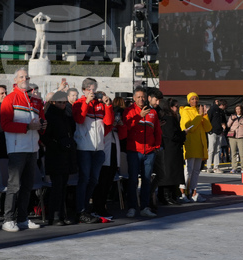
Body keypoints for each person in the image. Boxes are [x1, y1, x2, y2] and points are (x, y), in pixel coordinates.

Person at [0, 68, 43, 232]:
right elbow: (5, 124)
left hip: (32, 148)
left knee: (27, 186)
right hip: (17, 147)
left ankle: (23, 218)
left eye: (27, 76)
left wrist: (42, 125)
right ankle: (8, 219)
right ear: (16, 80)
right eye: (22, 76)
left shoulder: (35, 100)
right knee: (14, 185)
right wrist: (27, 126)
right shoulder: (10, 99)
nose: (25, 78)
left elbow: (41, 120)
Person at [71, 78, 114, 224]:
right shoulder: (78, 103)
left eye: (94, 88)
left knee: (94, 180)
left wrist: (108, 106)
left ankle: (85, 208)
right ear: (84, 90)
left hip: (98, 149)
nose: (92, 91)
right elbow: (79, 119)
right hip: (84, 148)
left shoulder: (100, 105)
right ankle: (80, 210)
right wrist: (86, 102)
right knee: (84, 179)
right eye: (89, 89)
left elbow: (108, 123)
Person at [123, 86, 162, 217]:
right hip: (134, 151)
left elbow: (157, 131)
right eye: (138, 97)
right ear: (134, 98)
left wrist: (156, 146)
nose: (141, 99)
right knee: (133, 180)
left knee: (146, 180)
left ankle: (145, 207)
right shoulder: (128, 111)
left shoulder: (153, 112)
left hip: (149, 152)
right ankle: (132, 207)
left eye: (143, 97)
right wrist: (138, 116)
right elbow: (126, 128)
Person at [42, 90, 76, 225]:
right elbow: (45, 136)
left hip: (66, 155)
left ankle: (61, 215)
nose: (62, 105)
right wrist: (57, 144)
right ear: (53, 102)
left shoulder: (65, 115)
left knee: (63, 187)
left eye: (64, 102)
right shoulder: (49, 115)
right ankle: (54, 216)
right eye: (60, 102)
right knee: (56, 187)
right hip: (55, 155)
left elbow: (71, 130)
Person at [180, 93, 212, 202]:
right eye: (192, 99)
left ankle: (194, 192)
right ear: (189, 101)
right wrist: (199, 116)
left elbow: (208, 128)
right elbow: (190, 128)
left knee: (196, 170)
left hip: (200, 145)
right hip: (190, 144)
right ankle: (182, 192)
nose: (195, 101)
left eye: (196, 99)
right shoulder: (185, 111)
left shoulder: (199, 112)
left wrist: (205, 116)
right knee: (188, 170)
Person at [155, 95, 186, 205]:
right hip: (171, 150)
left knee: (170, 173)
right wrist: (183, 134)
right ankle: (167, 196)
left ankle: (170, 195)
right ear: (171, 107)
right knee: (170, 173)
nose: (177, 109)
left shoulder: (166, 118)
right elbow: (173, 135)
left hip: (169, 149)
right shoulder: (170, 119)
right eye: (176, 107)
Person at [207, 98, 227, 174]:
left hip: (219, 132)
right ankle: (209, 166)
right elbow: (208, 119)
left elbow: (223, 121)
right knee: (211, 149)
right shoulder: (212, 109)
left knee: (217, 150)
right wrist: (209, 130)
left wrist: (224, 127)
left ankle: (216, 167)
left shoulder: (221, 112)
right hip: (212, 132)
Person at [226, 103, 243, 173]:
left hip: (241, 136)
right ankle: (234, 168)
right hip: (232, 137)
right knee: (233, 153)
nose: (238, 111)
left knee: (242, 153)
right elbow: (228, 125)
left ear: (242, 110)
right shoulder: (232, 116)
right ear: (235, 110)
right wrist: (232, 119)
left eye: (239, 109)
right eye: (237, 109)